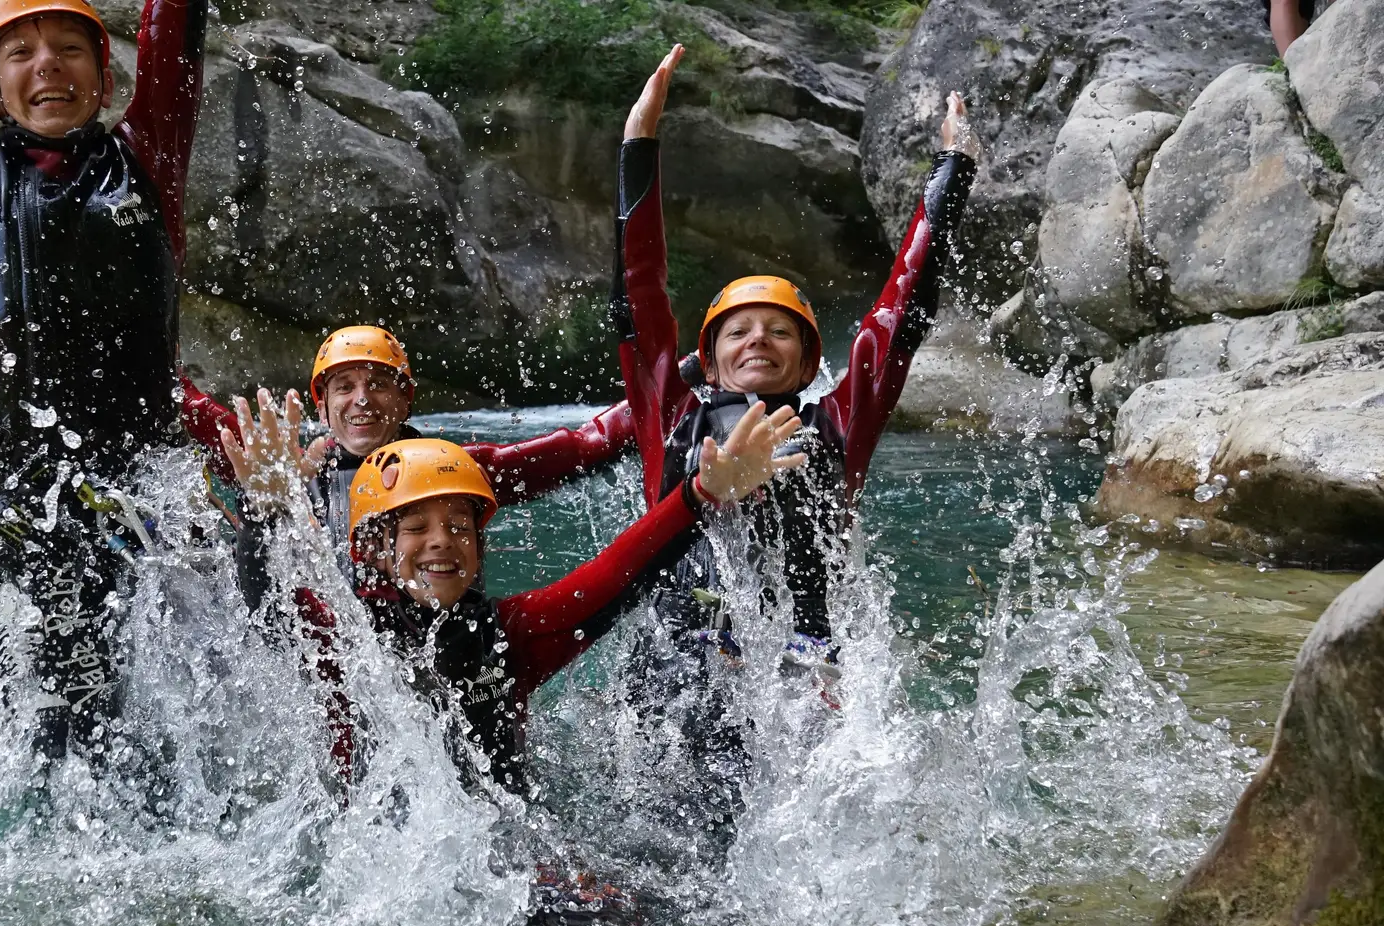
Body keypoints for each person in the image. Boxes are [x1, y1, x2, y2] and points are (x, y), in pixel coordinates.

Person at [611, 46, 978, 862]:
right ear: (706, 360)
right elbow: (639, 303)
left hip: (800, 667)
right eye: (738, 331)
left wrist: (951, 175)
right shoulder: (671, 410)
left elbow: (898, 315)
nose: (758, 341)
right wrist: (638, 146)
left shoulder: (837, 425)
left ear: (811, 364)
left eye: (780, 332)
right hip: (677, 663)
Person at [221, 389, 803, 798]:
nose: (440, 544)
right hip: (372, 856)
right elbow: (273, 611)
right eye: (416, 528)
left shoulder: (510, 634)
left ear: (480, 545)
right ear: (373, 549)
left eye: (458, 526)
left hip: (503, 850)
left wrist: (701, 494)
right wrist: (261, 512)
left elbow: (616, 575)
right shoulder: (343, 637)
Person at [0, 0, 207, 764]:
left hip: (146, 481)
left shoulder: (149, 153)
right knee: (58, 729)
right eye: (21, 53)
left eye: (71, 48)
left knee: (167, 714)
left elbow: (176, 40)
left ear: (104, 79)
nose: (48, 66)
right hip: (11, 493)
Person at [181, 327, 635, 561]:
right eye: (345, 386)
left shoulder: (454, 472)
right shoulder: (289, 478)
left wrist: (683, 382)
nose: (361, 399)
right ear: (322, 407)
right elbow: (191, 408)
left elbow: (579, 448)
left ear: (405, 400)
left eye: (378, 384)